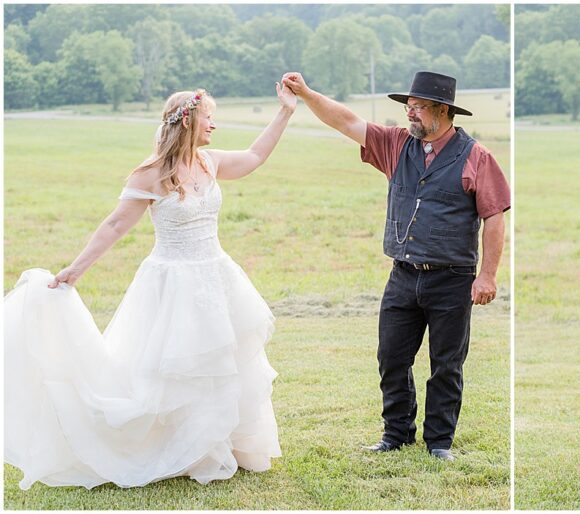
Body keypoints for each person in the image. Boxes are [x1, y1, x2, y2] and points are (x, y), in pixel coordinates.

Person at [4, 83, 297, 489]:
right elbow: (116, 224)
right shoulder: (152, 171)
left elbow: (254, 157)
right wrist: (77, 268)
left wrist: (285, 111)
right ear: (189, 120)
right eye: (209, 116)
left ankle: (212, 446)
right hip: (170, 283)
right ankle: (169, 447)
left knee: (219, 366)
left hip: (215, 277)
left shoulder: (209, 162)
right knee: (171, 371)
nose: (214, 123)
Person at [281, 70, 510, 462]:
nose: (411, 115)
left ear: (444, 111)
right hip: (403, 275)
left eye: (419, 108)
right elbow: (345, 120)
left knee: (447, 364)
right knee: (391, 357)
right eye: (409, 107)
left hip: (452, 279)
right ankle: (396, 434)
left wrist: (487, 275)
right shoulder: (395, 144)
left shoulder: (476, 156)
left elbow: (494, 216)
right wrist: (305, 93)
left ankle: (439, 442)